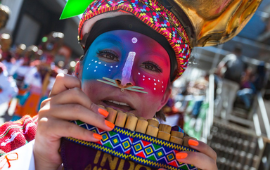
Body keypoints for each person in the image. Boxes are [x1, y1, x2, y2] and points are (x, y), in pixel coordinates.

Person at [0, 0, 262, 169]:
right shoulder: (13, 142)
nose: (124, 79)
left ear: (164, 98)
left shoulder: (176, 163)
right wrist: (41, 160)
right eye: (109, 55)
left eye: (150, 67)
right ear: (78, 70)